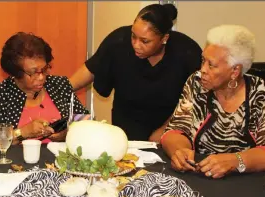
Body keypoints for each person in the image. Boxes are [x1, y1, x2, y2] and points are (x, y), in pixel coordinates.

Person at [161, 25, 265, 179]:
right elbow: (176, 129)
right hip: (200, 176)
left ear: (235, 71)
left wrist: (236, 161)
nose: (203, 70)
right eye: (203, 60)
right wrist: (179, 151)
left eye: (211, 65)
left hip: (247, 183)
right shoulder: (196, 83)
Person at [69, 4, 202, 142]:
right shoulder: (118, 41)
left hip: (171, 125)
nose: (136, 45)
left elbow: (195, 99)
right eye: (133, 36)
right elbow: (92, 69)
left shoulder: (186, 52)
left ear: (164, 39)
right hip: (127, 124)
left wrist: (166, 129)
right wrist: (60, 90)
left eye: (145, 41)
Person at [0, 32, 89, 148]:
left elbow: (85, 122)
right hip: (16, 163)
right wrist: (23, 133)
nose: (41, 77)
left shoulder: (60, 85)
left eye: (44, 69)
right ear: (16, 73)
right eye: (32, 73)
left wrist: (68, 134)